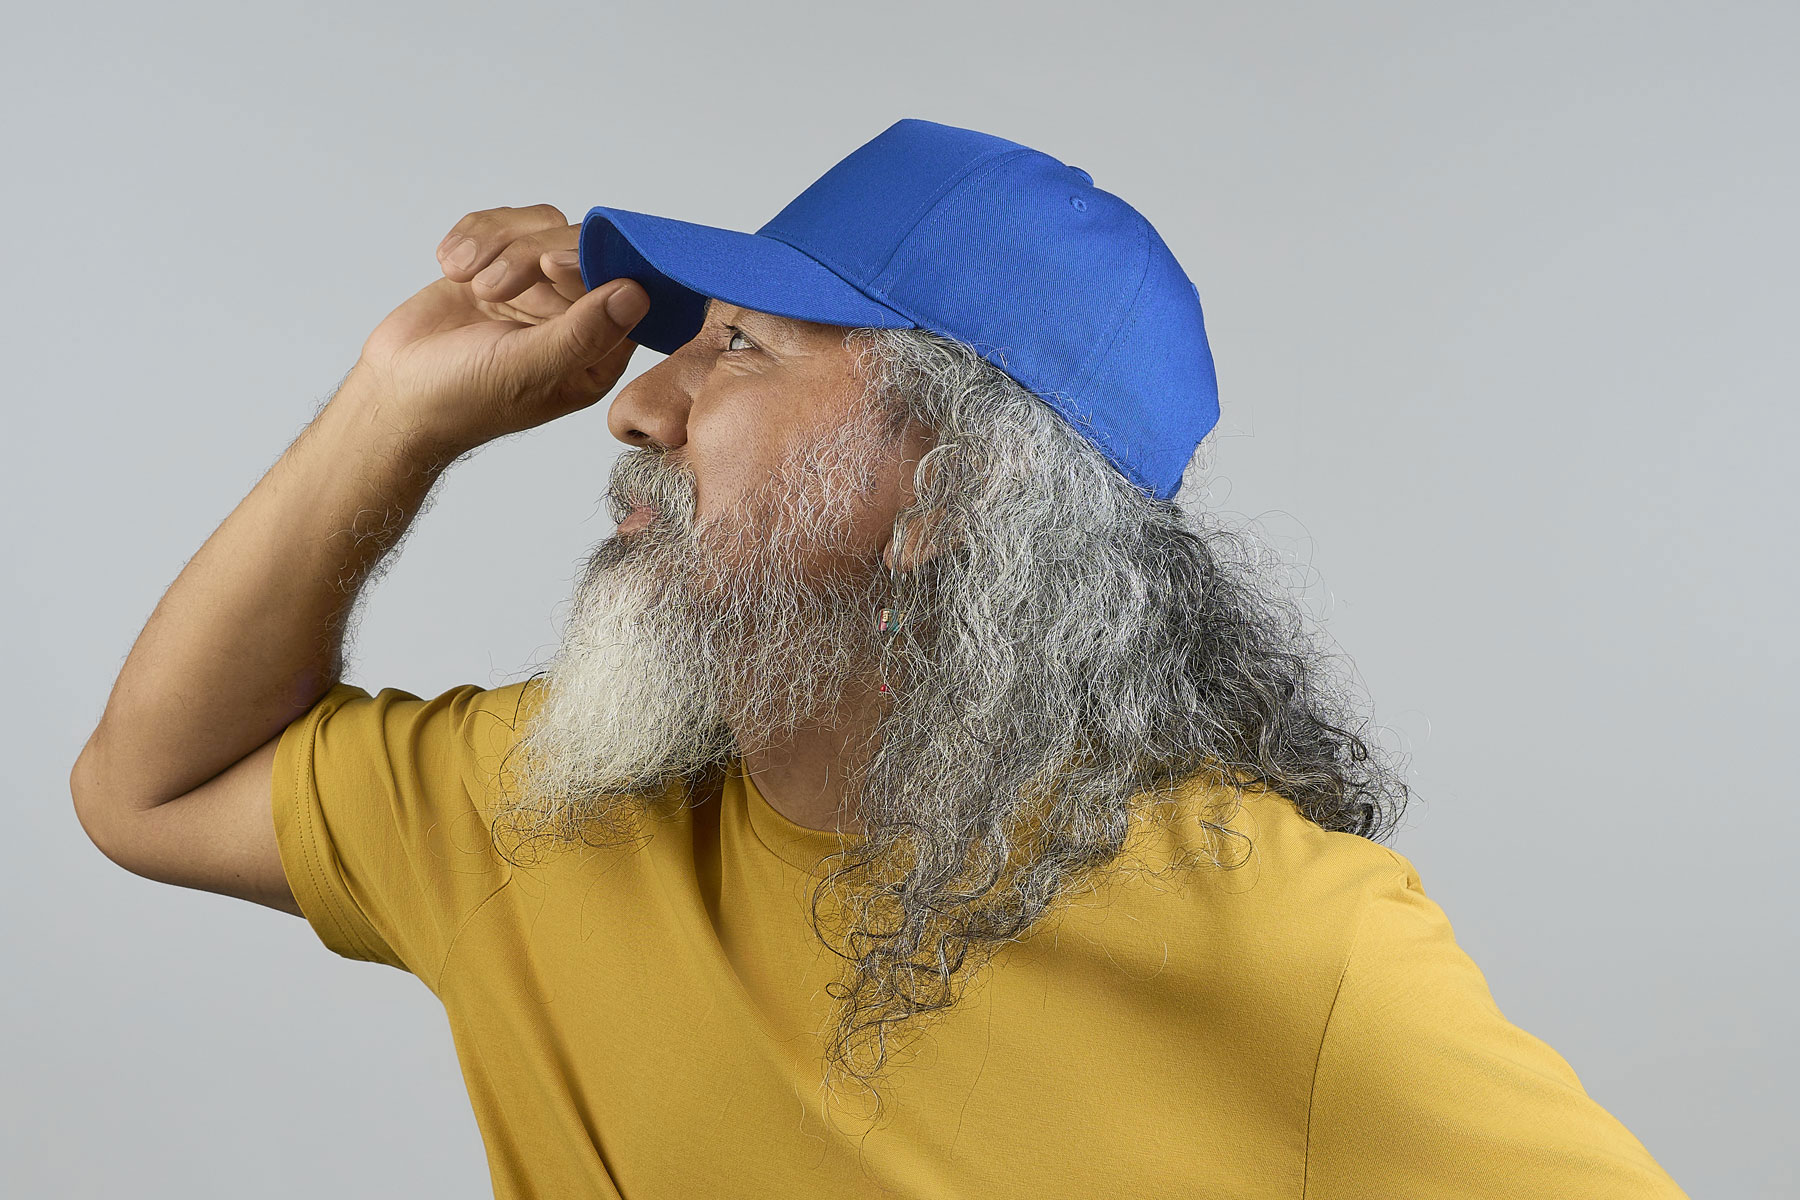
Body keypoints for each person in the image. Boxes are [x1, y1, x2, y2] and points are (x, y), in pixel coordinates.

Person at [70, 119, 1689, 1198]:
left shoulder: (1278, 937)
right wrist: (392, 410)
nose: (636, 405)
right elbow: (152, 793)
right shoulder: (549, 803)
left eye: (741, 348)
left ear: (952, 495)